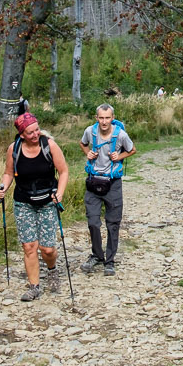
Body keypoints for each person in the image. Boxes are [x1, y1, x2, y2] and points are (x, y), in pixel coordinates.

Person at [0, 112, 69, 302]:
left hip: (47, 201)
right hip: (23, 202)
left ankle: (52, 270)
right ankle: (34, 286)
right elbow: (8, 173)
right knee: (29, 246)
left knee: (47, 249)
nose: (36, 134)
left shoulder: (49, 145)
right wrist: (3, 187)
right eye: (31, 132)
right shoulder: (14, 149)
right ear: (22, 135)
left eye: (37, 129)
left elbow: (63, 171)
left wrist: (59, 192)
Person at [79, 103, 136, 276]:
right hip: (93, 181)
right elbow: (83, 144)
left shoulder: (121, 135)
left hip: (113, 183)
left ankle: (109, 261)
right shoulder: (90, 131)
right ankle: (97, 255)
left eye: (107, 118)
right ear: (96, 118)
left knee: (113, 223)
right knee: (93, 222)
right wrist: (87, 152)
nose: (104, 122)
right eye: (101, 118)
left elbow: (132, 149)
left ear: (112, 118)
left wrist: (119, 157)